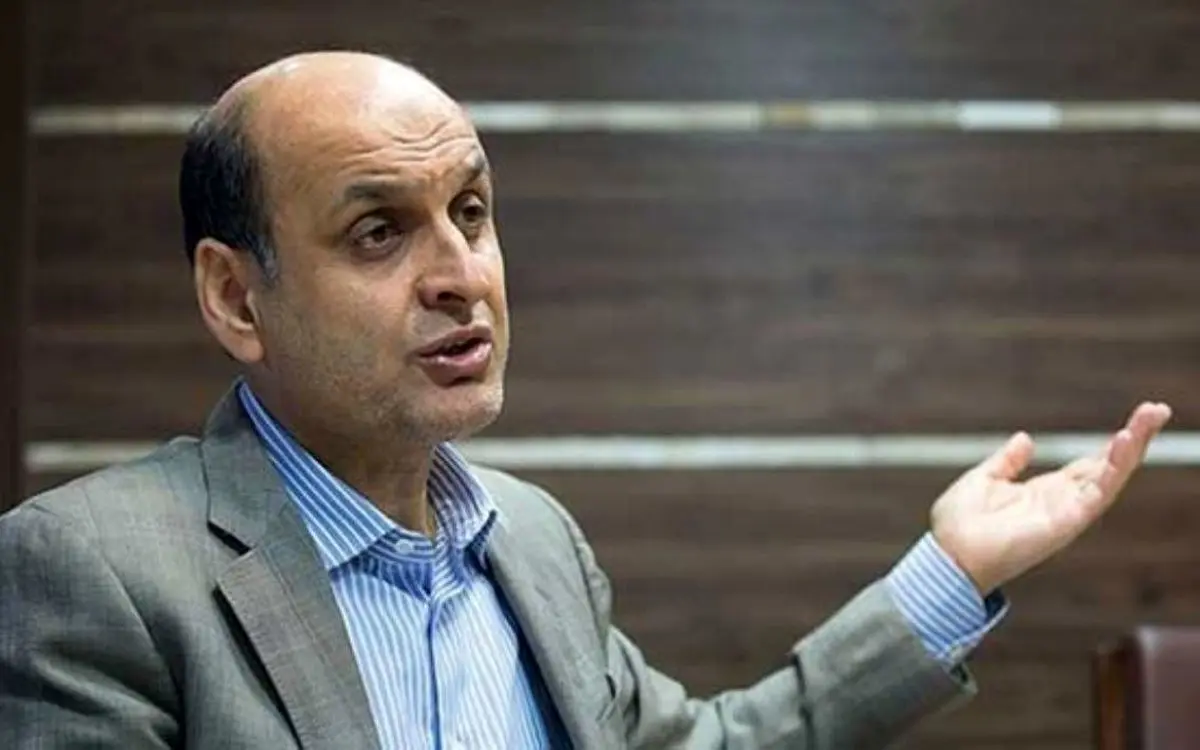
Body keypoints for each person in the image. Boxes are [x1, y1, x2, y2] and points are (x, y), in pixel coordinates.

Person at [0, 51, 1172, 750]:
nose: (459, 274)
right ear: (235, 296)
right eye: (378, 232)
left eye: (470, 212)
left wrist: (951, 573)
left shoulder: (532, 539)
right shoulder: (91, 573)